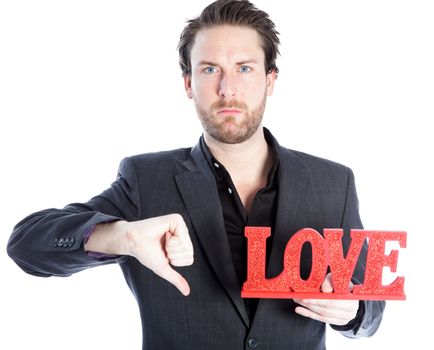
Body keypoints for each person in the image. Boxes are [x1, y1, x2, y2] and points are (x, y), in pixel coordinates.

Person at [7, 0, 385, 349]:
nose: (227, 88)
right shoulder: (145, 180)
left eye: (245, 68)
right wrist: (121, 236)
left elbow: (371, 307)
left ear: (270, 80)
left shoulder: (333, 184)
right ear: (189, 84)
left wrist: (352, 310)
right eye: (209, 69)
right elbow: (26, 245)